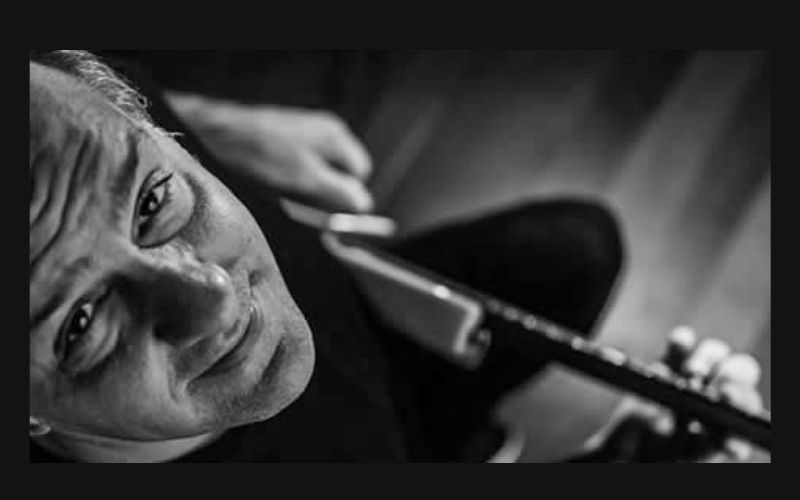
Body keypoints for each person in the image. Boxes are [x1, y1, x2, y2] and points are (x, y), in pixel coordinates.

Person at [29, 51, 765, 462]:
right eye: (81, 322)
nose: (215, 298)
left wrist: (220, 128)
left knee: (575, 249)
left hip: (361, 334)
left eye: (152, 201)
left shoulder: (57, 116)